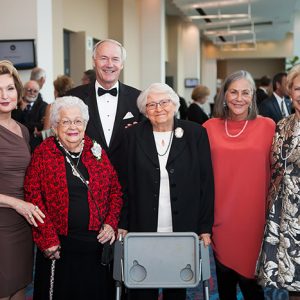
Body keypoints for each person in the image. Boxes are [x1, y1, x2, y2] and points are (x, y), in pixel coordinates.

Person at [118, 83, 214, 300]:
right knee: (141, 286)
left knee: (176, 287)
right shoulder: (132, 136)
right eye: (151, 104)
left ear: (175, 104)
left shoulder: (196, 133)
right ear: (144, 110)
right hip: (142, 226)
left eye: (164, 102)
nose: (159, 108)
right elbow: (123, 182)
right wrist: (122, 222)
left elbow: (206, 183)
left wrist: (205, 227)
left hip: (182, 227)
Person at [24, 96, 123, 300]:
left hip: (95, 246)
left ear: (85, 124)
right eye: (65, 121)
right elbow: (33, 197)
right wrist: (48, 238)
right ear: (55, 125)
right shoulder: (44, 153)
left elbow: (115, 191)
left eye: (78, 121)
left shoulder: (95, 150)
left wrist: (111, 223)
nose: (72, 127)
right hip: (59, 247)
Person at [203, 70, 276, 300]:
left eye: (246, 92)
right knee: (225, 286)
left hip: (254, 220)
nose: (239, 98)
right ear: (224, 95)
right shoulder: (208, 127)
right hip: (220, 219)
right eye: (233, 92)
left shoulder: (268, 126)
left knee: (252, 286)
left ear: (253, 96)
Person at [67, 39, 142, 189]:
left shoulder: (138, 99)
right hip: (84, 183)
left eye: (115, 59)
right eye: (103, 58)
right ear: (94, 61)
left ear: (122, 64)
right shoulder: (73, 98)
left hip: (127, 184)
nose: (109, 64)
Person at [0, 60, 45, 300]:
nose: (4, 95)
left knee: (20, 287)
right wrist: (17, 203)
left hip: (24, 225)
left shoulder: (22, 129)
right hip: (2, 224)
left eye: (9, 88)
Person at [256, 64, 300, 299]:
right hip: (285, 213)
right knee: (292, 282)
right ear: (289, 92)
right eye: (297, 88)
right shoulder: (282, 125)